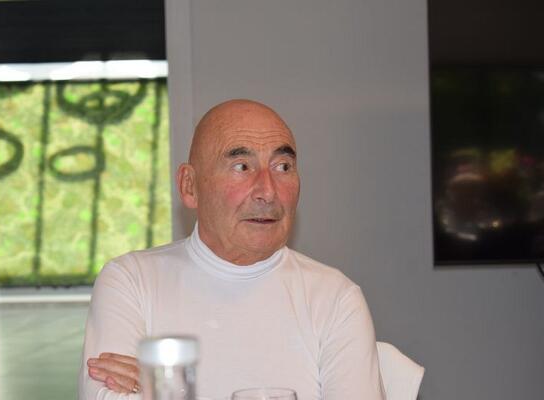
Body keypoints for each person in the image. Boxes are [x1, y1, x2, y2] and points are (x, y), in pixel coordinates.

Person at [79, 99, 384, 400]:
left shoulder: (335, 298)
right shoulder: (132, 281)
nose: (268, 191)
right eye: (242, 166)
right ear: (190, 185)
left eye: (283, 167)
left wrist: (166, 390)